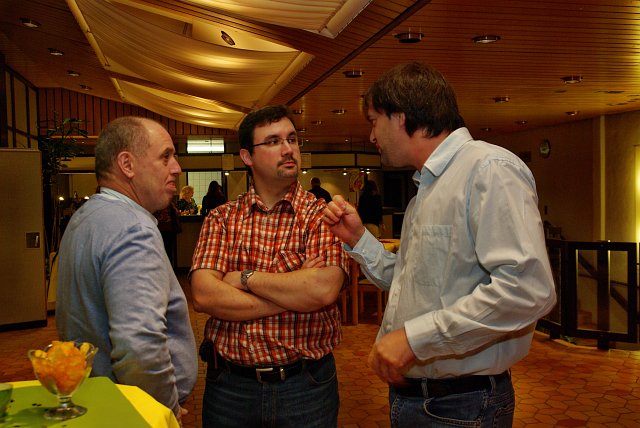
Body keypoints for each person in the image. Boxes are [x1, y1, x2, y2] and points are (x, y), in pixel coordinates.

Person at [323, 62, 557, 427]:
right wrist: (356, 238)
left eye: (373, 121)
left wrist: (414, 339)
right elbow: (412, 283)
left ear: (400, 117)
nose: (371, 136)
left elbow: (527, 289)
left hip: (462, 405)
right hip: (422, 400)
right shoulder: (427, 189)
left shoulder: (487, 168)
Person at [190, 105, 349, 428]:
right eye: (274, 141)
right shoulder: (221, 219)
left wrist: (245, 278)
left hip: (306, 387)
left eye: (292, 139)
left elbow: (322, 290)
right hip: (230, 389)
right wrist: (292, 289)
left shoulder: (323, 216)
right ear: (247, 156)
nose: (288, 149)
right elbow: (205, 296)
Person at [55, 116, 198, 421]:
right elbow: (139, 347)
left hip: (96, 398)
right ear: (127, 165)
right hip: (134, 411)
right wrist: (164, 408)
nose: (176, 168)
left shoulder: (87, 216)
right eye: (165, 157)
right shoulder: (133, 229)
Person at [154, 200, 181, 269]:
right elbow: (177, 213)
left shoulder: (156, 203)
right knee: (169, 251)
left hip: (159, 229)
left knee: (161, 250)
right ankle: (169, 268)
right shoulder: (169, 203)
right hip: (169, 229)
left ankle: (163, 268)